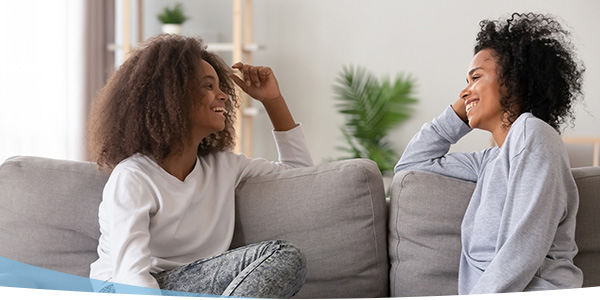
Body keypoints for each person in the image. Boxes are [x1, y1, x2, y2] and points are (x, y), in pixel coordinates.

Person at [87, 34, 313, 298]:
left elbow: (301, 178)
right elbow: (130, 277)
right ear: (172, 97)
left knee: (288, 259)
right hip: (124, 289)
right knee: (282, 255)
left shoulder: (225, 167)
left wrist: (273, 100)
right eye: (208, 86)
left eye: (220, 87)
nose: (223, 96)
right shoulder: (133, 177)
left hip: (196, 286)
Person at [395, 12, 585, 294]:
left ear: (514, 80)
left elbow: (524, 249)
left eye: (475, 77)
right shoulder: (489, 161)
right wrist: (462, 109)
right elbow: (412, 163)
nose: (464, 91)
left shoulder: (535, 134)